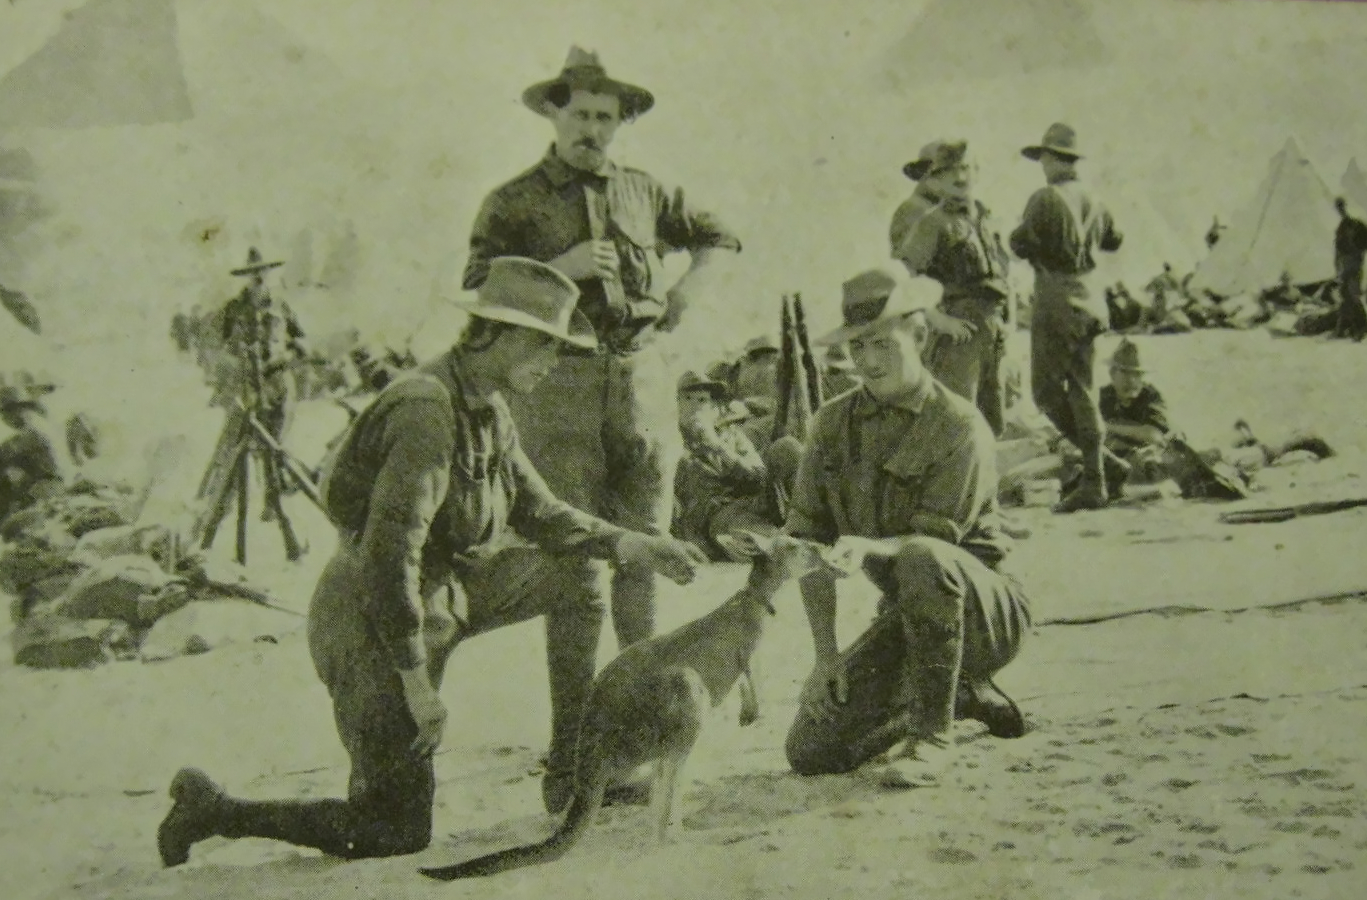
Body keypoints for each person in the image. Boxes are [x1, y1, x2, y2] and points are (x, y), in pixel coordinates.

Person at [155, 258, 709, 867]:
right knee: (393, 829)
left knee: (576, 572)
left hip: (446, 594)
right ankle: (213, 810)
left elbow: (539, 512)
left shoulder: (490, 407)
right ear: (498, 336)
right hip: (371, 618)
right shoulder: (426, 411)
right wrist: (416, 684)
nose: (554, 364)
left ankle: (573, 767)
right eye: (545, 347)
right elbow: (389, 558)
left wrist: (634, 544)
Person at [462, 46, 741, 659]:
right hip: (560, 385)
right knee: (576, 561)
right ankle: (577, 738)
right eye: (581, 115)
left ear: (620, 123)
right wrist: (560, 268)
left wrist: (689, 290)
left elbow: (720, 236)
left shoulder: (645, 192)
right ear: (554, 116)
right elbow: (478, 284)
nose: (592, 129)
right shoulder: (512, 200)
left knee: (648, 546)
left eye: (604, 118)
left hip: (641, 380)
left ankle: (637, 705)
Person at [782, 268, 1032, 788]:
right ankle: (960, 697)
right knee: (811, 748)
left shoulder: (958, 424)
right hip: (909, 620)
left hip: (984, 615)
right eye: (857, 348)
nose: (868, 362)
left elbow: (934, 547)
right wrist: (825, 657)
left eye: (882, 345)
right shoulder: (830, 425)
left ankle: (932, 737)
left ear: (919, 336)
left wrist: (869, 545)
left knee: (921, 555)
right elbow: (806, 543)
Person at [1009, 123, 1124, 512]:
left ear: (1052, 159)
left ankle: (1101, 471)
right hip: (1092, 296)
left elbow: (1020, 243)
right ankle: (1101, 474)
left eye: (1044, 157)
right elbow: (1115, 240)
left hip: (1056, 297)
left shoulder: (1044, 198)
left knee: (1045, 392)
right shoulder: (1094, 198)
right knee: (1083, 387)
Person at [890, 140, 1013, 437]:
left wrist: (1007, 324)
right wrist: (938, 320)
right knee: (955, 420)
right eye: (949, 171)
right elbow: (904, 277)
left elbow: (1002, 278)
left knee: (992, 421)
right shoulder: (932, 223)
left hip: (993, 332)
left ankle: (985, 483)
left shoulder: (986, 218)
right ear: (937, 178)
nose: (960, 177)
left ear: (977, 171)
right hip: (959, 331)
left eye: (966, 168)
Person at [671, 370, 780, 561]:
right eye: (687, 399)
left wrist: (718, 447)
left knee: (786, 448)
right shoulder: (669, 440)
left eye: (702, 400)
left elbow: (760, 479)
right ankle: (776, 544)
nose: (695, 407)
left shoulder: (731, 436)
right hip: (715, 518)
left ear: (713, 406)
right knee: (741, 532)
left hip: (750, 503)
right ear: (676, 404)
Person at [0, 385, 62, 523]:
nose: (11, 416)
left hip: (41, 497)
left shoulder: (38, 437)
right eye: (6, 412)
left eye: (15, 409)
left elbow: (50, 474)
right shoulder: (8, 445)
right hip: (19, 501)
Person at [1333, 197, 1367, 341]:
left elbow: (1363, 244)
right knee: (1345, 295)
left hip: (1354, 266)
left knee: (1353, 295)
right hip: (1345, 267)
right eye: (1338, 208)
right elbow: (1338, 250)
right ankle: (1344, 328)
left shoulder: (1357, 225)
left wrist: (1355, 247)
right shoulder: (1341, 228)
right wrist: (1337, 267)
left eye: (1341, 207)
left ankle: (1361, 327)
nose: (1340, 210)